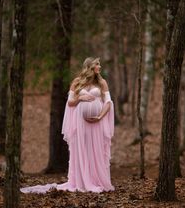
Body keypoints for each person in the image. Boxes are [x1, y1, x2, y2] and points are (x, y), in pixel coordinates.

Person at [21, 57, 115, 194]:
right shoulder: (77, 82)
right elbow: (70, 102)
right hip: (80, 122)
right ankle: (82, 181)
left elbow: (108, 102)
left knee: (95, 151)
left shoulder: (102, 83)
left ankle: (96, 180)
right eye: (97, 64)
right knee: (81, 149)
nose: (100, 66)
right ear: (89, 66)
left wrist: (100, 116)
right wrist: (80, 98)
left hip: (97, 123)